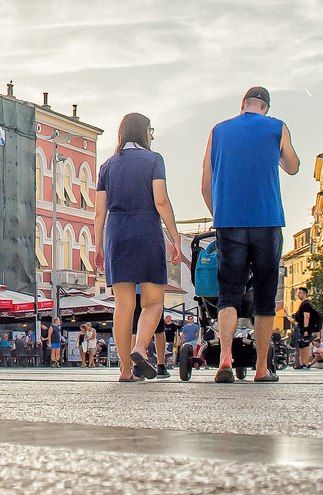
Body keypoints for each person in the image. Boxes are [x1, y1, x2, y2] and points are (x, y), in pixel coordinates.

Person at [200, 86, 299, 383]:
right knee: (266, 296)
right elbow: (293, 167)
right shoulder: (277, 127)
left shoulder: (218, 131)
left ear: (242, 105)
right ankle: (260, 369)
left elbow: (205, 182)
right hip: (267, 220)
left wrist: (219, 213)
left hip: (229, 221)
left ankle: (225, 360)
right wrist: (277, 154)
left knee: (228, 293)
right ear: (265, 107)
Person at [93, 112, 184, 383]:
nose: (152, 135)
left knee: (123, 305)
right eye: (151, 131)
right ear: (144, 132)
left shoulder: (107, 166)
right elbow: (161, 201)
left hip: (117, 234)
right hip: (147, 231)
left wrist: (97, 244)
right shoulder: (154, 160)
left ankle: (124, 371)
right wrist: (175, 237)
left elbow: (99, 212)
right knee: (154, 302)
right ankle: (140, 347)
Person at [291, 288, 319, 369]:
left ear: (304, 294)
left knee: (305, 346)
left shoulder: (306, 304)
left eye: (299, 293)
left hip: (306, 328)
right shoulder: (303, 304)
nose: (298, 295)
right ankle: (302, 363)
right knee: (301, 346)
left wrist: (306, 329)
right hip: (301, 328)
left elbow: (307, 316)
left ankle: (305, 363)